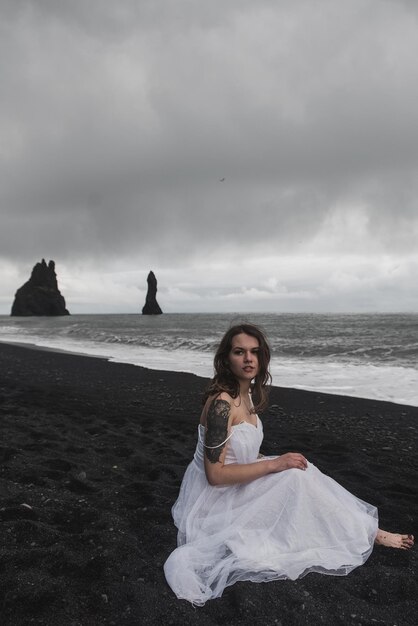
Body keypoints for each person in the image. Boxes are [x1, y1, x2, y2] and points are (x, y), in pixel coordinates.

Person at [164, 323, 414, 605]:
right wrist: (274, 465)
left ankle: (366, 530)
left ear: (262, 358)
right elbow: (215, 475)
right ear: (226, 359)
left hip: (236, 483)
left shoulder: (246, 395)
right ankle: (371, 533)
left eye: (255, 352)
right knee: (294, 477)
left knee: (302, 470)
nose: (248, 359)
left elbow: (240, 454)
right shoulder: (222, 403)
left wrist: (275, 462)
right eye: (239, 352)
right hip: (213, 499)